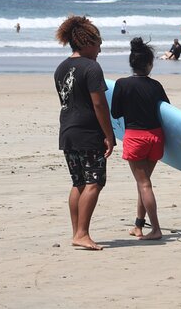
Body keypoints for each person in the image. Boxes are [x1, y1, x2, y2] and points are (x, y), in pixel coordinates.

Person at [53, 16, 115, 251]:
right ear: (87, 42)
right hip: (88, 133)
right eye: (98, 44)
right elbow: (99, 105)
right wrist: (109, 135)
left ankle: (76, 232)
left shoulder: (61, 68)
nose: (100, 50)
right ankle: (82, 233)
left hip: (67, 131)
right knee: (94, 182)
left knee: (78, 183)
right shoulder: (91, 67)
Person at [111, 38, 170, 241]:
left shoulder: (122, 84)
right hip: (156, 137)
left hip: (136, 138)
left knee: (144, 184)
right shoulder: (156, 86)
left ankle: (156, 229)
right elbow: (167, 112)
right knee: (143, 183)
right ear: (149, 64)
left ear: (131, 63)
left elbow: (115, 112)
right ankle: (139, 225)